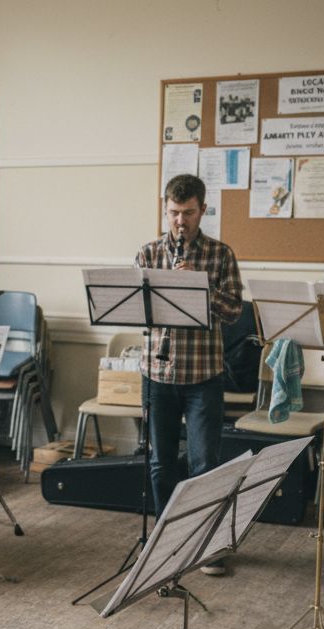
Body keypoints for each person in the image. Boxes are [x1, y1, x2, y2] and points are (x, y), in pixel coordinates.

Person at [134, 174, 242, 575]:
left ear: (203, 210)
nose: (181, 221)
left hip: (203, 374)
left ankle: (207, 544)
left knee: (204, 464)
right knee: (161, 463)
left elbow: (233, 311)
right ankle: (169, 540)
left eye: (189, 213)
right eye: (174, 213)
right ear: (165, 209)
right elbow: (138, 312)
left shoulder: (220, 254)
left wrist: (198, 285)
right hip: (157, 373)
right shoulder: (147, 254)